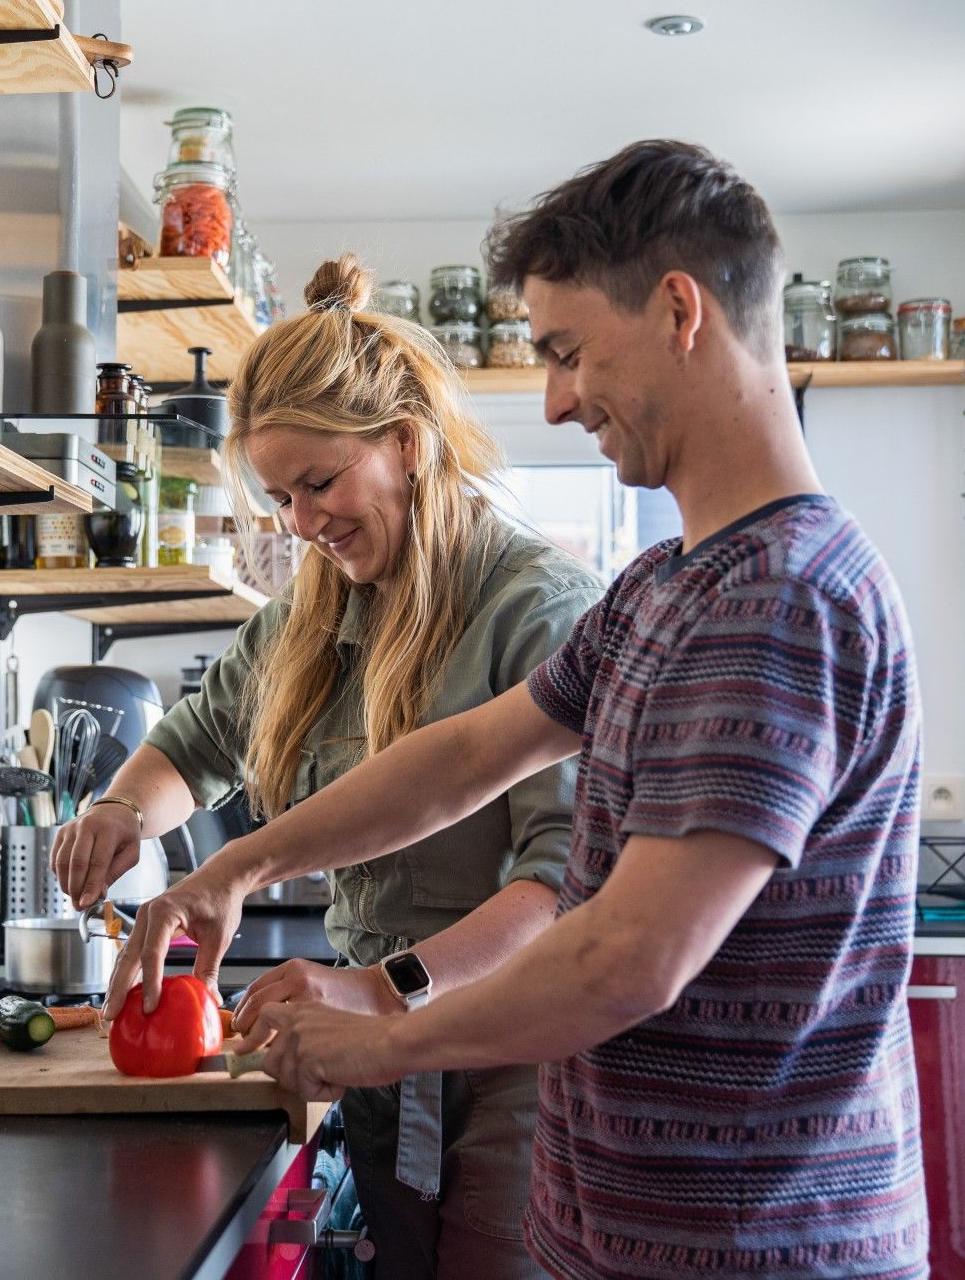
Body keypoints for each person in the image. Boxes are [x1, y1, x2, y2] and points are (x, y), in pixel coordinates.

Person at [107, 141, 929, 1279]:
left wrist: (379, 1026)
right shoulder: (666, 586)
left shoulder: (778, 600)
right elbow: (458, 762)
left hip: (749, 1243)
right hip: (634, 1228)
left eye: (567, 352)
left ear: (679, 311)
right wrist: (236, 866)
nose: (554, 399)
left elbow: (626, 958)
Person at [52, 255, 603, 1278]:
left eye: (319, 484)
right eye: (280, 497)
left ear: (406, 443)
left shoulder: (540, 610)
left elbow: (563, 885)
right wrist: (124, 809)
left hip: (514, 1065)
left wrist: (381, 990)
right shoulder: (312, 612)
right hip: (370, 1056)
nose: (302, 524)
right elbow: (194, 742)